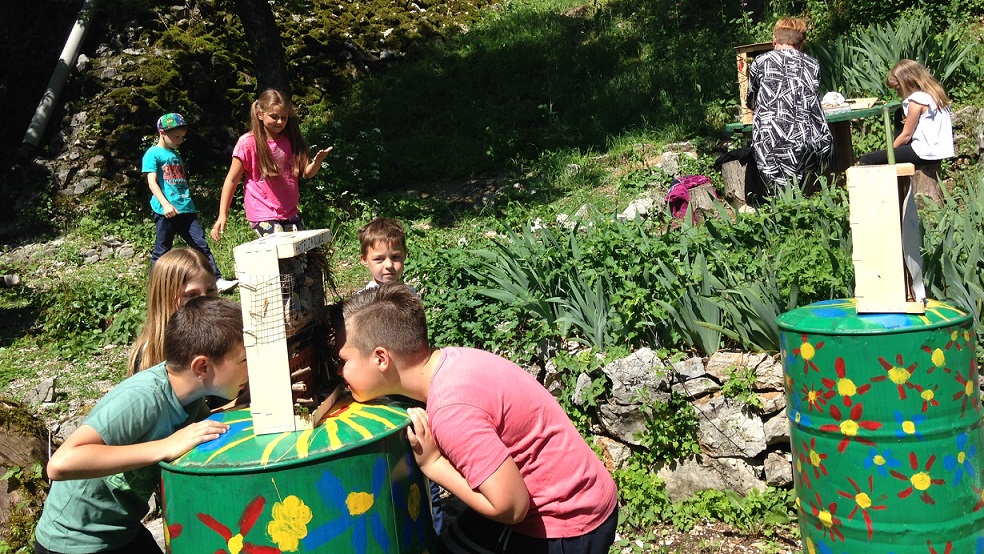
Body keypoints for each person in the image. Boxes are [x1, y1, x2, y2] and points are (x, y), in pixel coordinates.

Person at [335, 284, 619, 553]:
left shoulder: (451, 410)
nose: (338, 371)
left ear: (381, 358)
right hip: (583, 494)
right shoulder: (452, 362)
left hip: (568, 523)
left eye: (344, 361)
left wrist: (433, 464)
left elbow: (512, 508)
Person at [34, 297, 248, 554]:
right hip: (74, 542)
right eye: (244, 361)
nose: (250, 369)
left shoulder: (189, 397)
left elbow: (199, 430)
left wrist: (240, 405)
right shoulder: (142, 398)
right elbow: (60, 464)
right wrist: (164, 446)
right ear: (202, 366)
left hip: (121, 531)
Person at [211, 89, 333, 240]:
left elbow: (308, 173)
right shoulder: (248, 143)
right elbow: (232, 180)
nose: (280, 122)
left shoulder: (291, 139)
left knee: (304, 250)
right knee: (281, 248)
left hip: (290, 211)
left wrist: (317, 162)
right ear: (260, 114)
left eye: (284, 117)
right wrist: (223, 214)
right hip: (263, 212)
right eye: (274, 117)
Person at [142, 113, 237, 292]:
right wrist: (165, 204)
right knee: (162, 250)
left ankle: (215, 281)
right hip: (166, 211)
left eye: (182, 137)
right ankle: (156, 287)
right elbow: (152, 182)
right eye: (176, 136)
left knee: (200, 245)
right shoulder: (153, 154)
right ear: (162, 133)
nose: (180, 140)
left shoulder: (175, 155)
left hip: (186, 209)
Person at [746, 16, 832, 192]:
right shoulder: (812, 64)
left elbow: (751, 101)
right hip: (805, 143)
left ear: (774, 39)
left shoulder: (760, 62)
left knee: (776, 194)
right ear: (802, 43)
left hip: (769, 144)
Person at [127, 248, 218, 375]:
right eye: (191, 295)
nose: (205, 301)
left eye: (211, 291)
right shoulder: (149, 355)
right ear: (165, 298)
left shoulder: (228, 338)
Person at [859, 59, 954, 166]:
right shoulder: (936, 96)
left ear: (906, 83)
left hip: (924, 153)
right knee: (899, 112)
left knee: (868, 159)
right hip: (939, 151)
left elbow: (906, 135)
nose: (898, 94)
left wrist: (889, 152)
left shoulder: (917, 100)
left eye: (898, 90)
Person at [358, 217, 414, 292]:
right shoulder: (364, 298)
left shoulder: (410, 293)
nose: (389, 265)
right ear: (365, 260)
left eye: (395, 257)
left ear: (404, 255)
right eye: (378, 259)